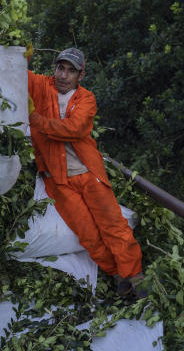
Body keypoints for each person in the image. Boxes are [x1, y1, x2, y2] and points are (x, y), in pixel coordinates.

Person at [27, 48, 145, 297]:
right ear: (54, 69)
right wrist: (19, 54)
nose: (63, 75)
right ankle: (119, 277)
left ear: (81, 75)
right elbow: (14, 73)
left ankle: (137, 278)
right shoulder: (41, 86)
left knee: (113, 225)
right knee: (87, 234)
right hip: (59, 180)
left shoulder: (86, 99)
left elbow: (74, 128)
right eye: (60, 68)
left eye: (71, 71)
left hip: (88, 172)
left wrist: (37, 121)